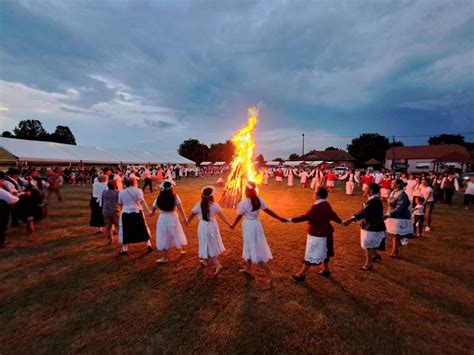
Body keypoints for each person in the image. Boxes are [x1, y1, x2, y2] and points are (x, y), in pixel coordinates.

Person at [230, 181, 286, 284]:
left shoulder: (244, 203)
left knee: (253, 249)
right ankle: (248, 268)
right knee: (249, 245)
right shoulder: (259, 200)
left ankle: (269, 274)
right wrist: (279, 218)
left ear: (246, 190)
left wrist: (233, 225)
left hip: (249, 226)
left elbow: (239, 215)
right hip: (256, 224)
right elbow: (268, 210)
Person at [289, 187, 342, 280]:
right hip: (327, 231)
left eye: (315, 192)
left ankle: (302, 274)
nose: (314, 194)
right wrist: (341, 222)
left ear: (318, 195)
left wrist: (291, 220)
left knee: (312, 252)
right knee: (325, 250)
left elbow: (307, 216)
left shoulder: (317, 206)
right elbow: (332, 214)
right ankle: (326, 269)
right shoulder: (326, 204)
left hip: (317, 233)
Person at [186, 186, 232, 274]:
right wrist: (229, 224)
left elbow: (192, 214)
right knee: (207, 243)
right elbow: (222, 216)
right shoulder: (214, 205)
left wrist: (188, 221)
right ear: (211, 196)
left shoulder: (198, 205)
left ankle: (218, 265)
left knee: (206, 244)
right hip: (212, 226)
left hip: (203, 226)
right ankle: (204, 260)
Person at [342, 183, 386, 271]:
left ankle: (368, 264)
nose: (365, 190)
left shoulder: (374, 201)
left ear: (371, 190)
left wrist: (350, 219)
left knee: (368, 244)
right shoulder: (373, 199)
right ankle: (376, 255)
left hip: (373, 225)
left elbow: (364, 212)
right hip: (370, 224)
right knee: (369, 243)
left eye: (367, 188)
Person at [150, 180, 188, 263]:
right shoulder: (175, 197)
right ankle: (180, 250)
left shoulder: (158, 198)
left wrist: (149, 212)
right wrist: (185, 219)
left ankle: (165, 257)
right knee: (175, 233)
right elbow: (180, 208)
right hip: (173, 217)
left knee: (164, 236)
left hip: (163, 218)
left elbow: (152, 211)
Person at [118, 178, 153, 255]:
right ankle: (149, 245)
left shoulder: (121, 192)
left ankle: (124, 249)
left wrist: (121, 211)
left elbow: (120, 204)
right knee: (143, 228)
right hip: (137, 211)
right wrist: (148, 211)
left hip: (126, 213)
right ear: (133, 183)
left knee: (125, 230)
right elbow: (142, 202)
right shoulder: (138, 191)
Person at [385, 179, 414, 258]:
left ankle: (395, 252)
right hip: (392, 215)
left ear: (398, 185)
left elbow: (400, 207)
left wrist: (389, 214)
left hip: (400, 217)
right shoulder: (393, 192)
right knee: (391, 232)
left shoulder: (402, 195)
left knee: (395, 234)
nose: (391, 183)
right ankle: (399, 243)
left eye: (393, 183)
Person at [0, 171, 20, 248]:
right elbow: (13, 199)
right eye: (2, 180)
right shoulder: (0, 191)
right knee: (1, 225)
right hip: (1, 211)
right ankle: (1, 243)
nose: (2, 182)